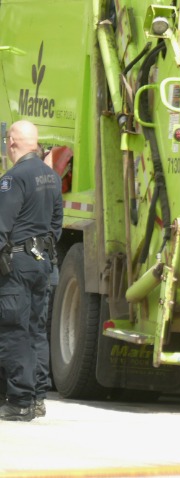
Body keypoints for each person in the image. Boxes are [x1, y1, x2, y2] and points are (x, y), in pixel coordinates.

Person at [0, 121, 62, 421]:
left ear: (11, 142)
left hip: (18, 266)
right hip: (42, 263)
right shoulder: (52, 177)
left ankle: (20, 401)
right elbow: (57, 223)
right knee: (37, 330)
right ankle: (37, 398)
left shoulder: (12, 179)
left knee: (14, 330)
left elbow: (1, 226)